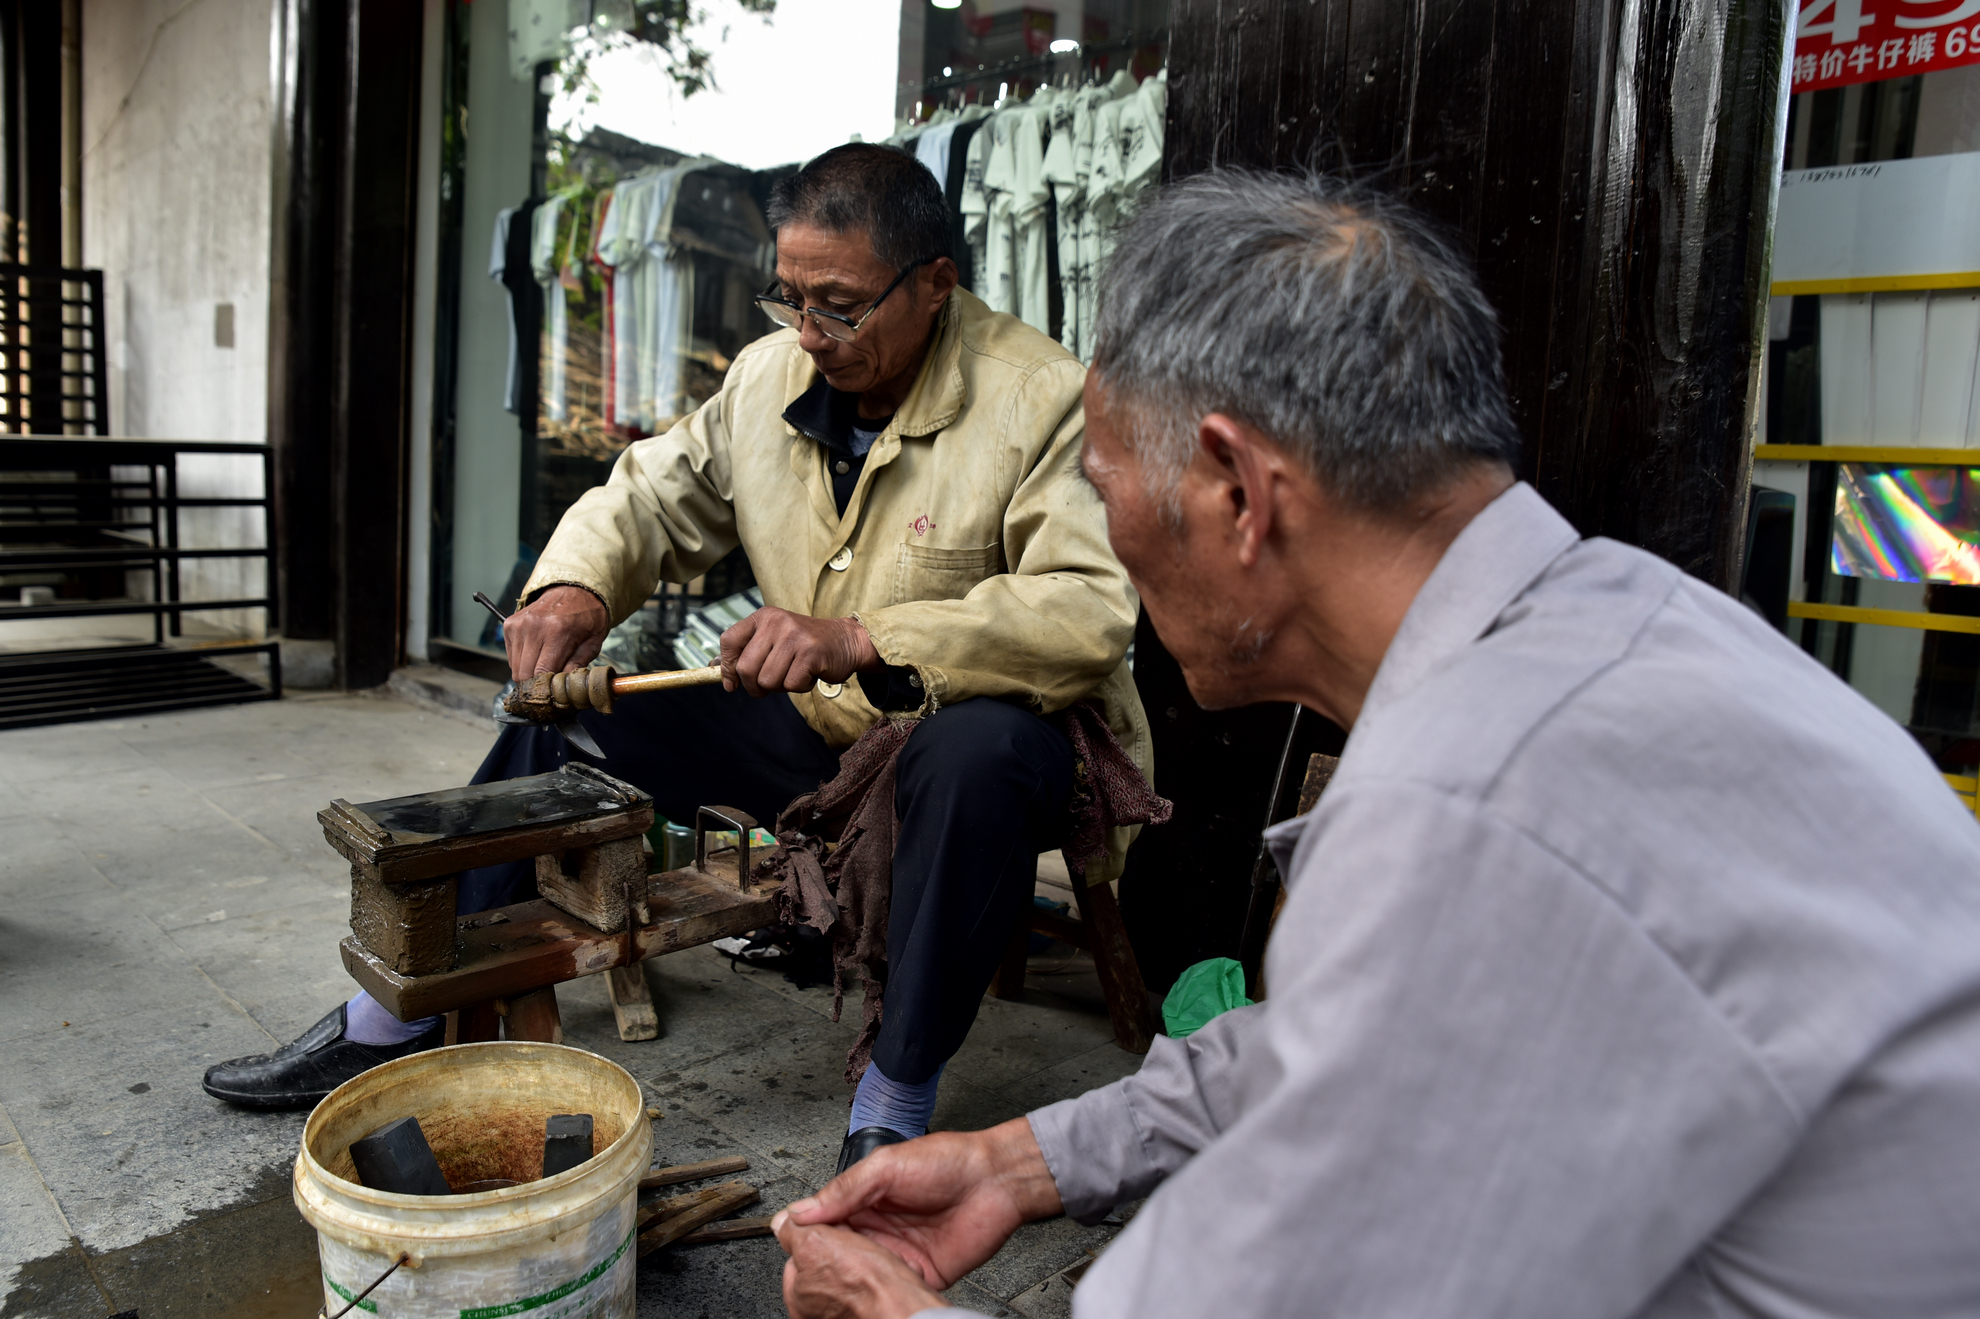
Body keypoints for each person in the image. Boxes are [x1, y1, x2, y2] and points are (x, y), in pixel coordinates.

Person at [767, 170, 1980, 1318]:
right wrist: (1025, 1159)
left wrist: (894, 1306)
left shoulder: (1473, 806)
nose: (1110, 531)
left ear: (1238, 489)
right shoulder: (1621, 621)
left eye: (1104, 479)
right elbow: (1349, 1048)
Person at [203, 145, 1150, 1173]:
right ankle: (396, 1010)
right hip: (821, 736)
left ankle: (896, 1087)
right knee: (576, 712)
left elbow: (1089, 605)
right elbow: (653, 496)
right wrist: (576, 586)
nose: (808, 333)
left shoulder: (1044, 395)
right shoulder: (767, 376)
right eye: (788, 297)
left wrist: (865, 636)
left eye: (838, 305)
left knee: (976, 751)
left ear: (934, 283)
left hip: (982, 749)